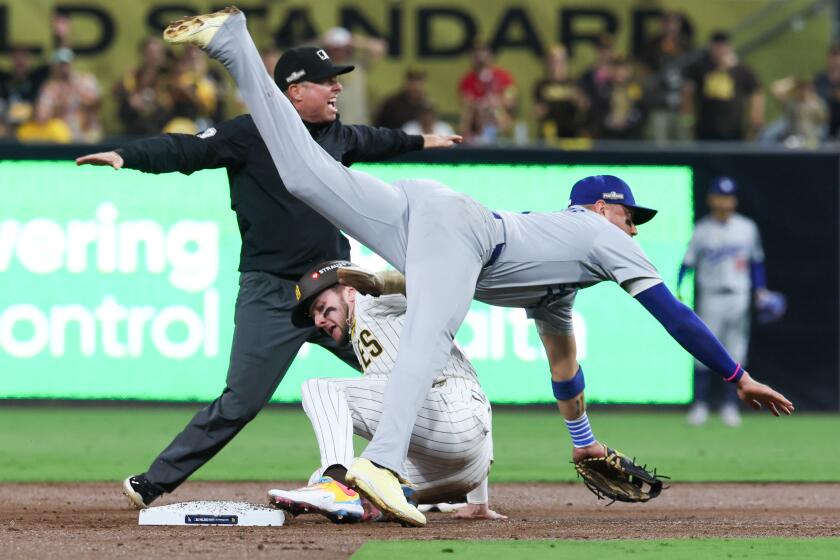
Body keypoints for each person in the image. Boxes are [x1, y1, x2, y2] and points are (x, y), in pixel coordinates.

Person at [164, 7, 794, 527]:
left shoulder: (561, 280)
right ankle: (377, 465)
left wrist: (584, 443)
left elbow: (564, 365)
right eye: (632, 214)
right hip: (454, 230)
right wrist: (735, 375)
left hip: (429, 220)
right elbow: (673, 313)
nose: (634, 228)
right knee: (430, 338)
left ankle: (233, 43)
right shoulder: (601, 234)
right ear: (603, 206)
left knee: (303, 173)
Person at [76, 43, 461, 510]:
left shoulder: (338, 137)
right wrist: (126, 155)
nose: (338, 86)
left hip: (338, 288)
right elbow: (185, 149)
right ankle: (154, 482)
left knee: (408, 375)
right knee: (241, 401)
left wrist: (425, 141)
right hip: (271, 292)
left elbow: (382, 139)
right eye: (328, 81)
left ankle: (424, 480)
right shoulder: (250, 133)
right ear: (295, 92)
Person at [266, 261, 504, 523]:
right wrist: (478, 502)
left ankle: (335, 488)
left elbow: (430, 285)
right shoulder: (362, 335)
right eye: (314, 315)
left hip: (456, 416)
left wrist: (381, 283)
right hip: (464, 471)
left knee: (320, 388)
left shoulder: (369, 300)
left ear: (349, 290)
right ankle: (373, 501)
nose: (319, 320)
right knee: (337, 476)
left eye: (322, 308)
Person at [678, 178, 771, 428]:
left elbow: (756, 261)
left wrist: (760, 290)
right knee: (703, 350)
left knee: (736, 351)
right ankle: (700, 404)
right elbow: (687, 264)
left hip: (739, 295)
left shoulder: (747, 228)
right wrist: (678, 290)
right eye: (720, 196)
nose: (724, 201)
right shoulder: (702, 229)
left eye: (729, 196)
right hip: (711, 295)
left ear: (735, 200)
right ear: (711, 199)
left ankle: (730, 406)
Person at [681, 31, 764, 141]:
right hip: (705, 130)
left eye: (723, 46)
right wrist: (688, 121)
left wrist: (755, 119)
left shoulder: (741, 70)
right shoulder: (699, 68)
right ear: (710, 47)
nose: (720, 50)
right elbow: (687, 96)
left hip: (733, 131)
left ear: (730, 47)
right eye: (717, 46)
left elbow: (756, 92)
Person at [639, 11, 693, 142]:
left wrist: (689, 113)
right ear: (662, 25)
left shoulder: (687, 46)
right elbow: (643, 71)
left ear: (679, 25)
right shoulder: (652, 45)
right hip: (658, 105)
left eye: (674, 23)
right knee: (659, 147)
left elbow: (690, 81)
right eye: (667, 23)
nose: (671, 27)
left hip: (681, 106)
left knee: (683, 144)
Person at [323, 26, 387, 125]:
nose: (339, 51)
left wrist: (355, 41)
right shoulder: (322, 67)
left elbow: (380, 48)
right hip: (334, 129)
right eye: (336, 48)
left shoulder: (357, 65)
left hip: (359, 127)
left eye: (342, 48)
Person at [113, 37, 174, 136]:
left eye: (158, 52)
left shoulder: (170, 76)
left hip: (163, 129)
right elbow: (116, 92)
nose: (155, 57)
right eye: (150, 53)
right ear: (142, 54)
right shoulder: (133, 76)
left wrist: (154, 103)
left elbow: (171, 103)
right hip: (135, 128)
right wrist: (130, 97)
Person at [457, 42, 516, 143]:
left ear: (490, 56)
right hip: (477, 121)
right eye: (476, 55)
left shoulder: (504, 77)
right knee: (471, 113)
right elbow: (466, 104)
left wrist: (494, 102)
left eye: (483, 55)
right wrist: (481, 104)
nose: (480, 59)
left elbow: (510, 101)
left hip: (498, 117)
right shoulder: (466, 81)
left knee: (496, 110)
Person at [532, 44, 587, 140]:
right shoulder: (541, 85)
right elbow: (537, 113)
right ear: (548, 63)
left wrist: (577, 98)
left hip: (571, 136)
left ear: (566, 62)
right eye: (553, 61)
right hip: (549, 136)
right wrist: (539, 111)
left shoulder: (574, 83)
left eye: (560, 61)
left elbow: (585, 107)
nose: (556, 65)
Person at [812, 43, 840, 140]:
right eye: (833, 57)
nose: (835, 61)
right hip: (822, 120)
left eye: (837, 57)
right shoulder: (819, 79)